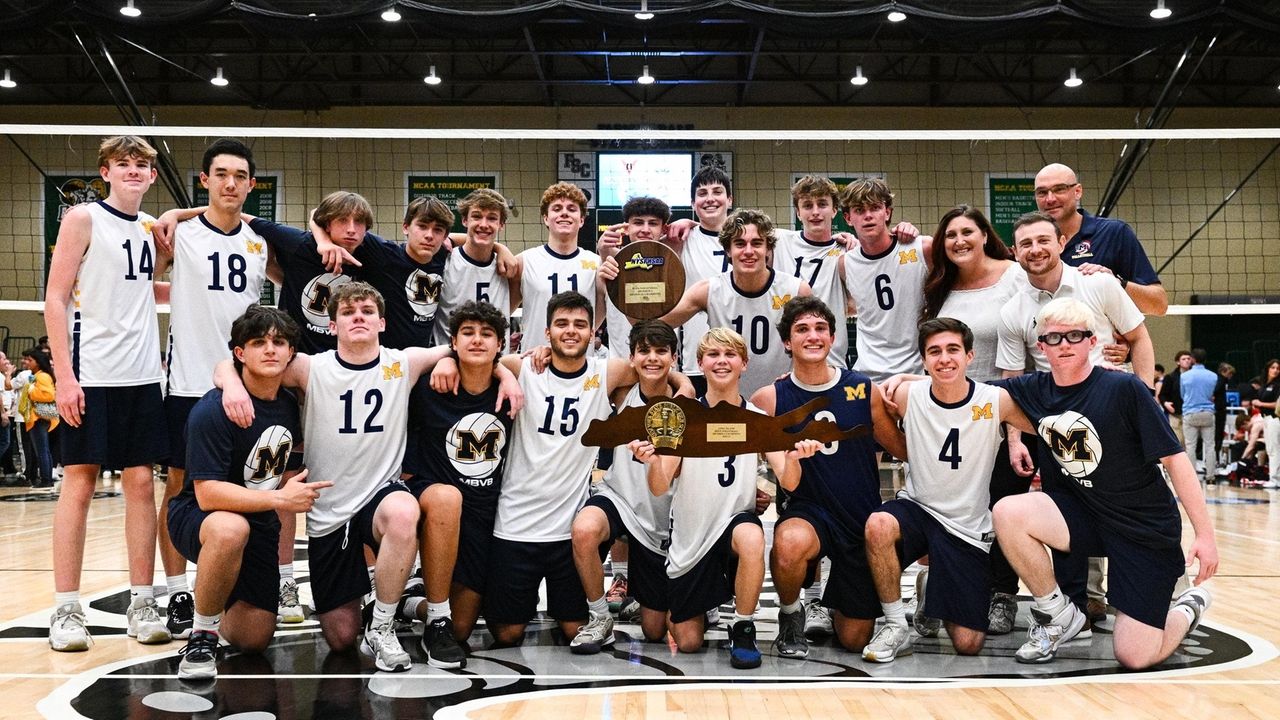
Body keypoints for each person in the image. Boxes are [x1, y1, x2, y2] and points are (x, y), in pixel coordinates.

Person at [215, 282, 521, 672]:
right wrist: (228, 380)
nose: (358, 317)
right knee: (341, 638)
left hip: (381, 497)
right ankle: (393, 603)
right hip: (330, 510)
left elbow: (474, 351)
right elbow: (234, 363)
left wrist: (503, 374)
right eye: (348, 312)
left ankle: (381, 626)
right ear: (332, 325)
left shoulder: (404, 362)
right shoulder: (309, 367)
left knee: (404, 511)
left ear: (382, 322)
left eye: (366, 311)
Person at [437, 291, 690, 648]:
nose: (570, 331)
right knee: (506, 634)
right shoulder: (521, 368)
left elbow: (655, 368)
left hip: (566, 526)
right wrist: (456, 361)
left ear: (592, 333)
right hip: (513, 524)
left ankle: (595, 614)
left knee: (574, 628)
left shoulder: (607, 372)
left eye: (580, 325)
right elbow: (477, 356)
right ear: (547, 332)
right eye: (562, 324)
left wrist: (684, 385)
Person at [992, 297, 1216, 669]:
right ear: (1041, 346)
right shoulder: (1033, 389)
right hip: (1085, 518)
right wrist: (906, 385)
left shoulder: (1125, 390)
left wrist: (1205, 536)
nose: (1064, 345)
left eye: (1074, 336)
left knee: (1134, 655)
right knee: (1008, 511)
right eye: (1054, 338)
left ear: (1092, 342)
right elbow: (963, 393)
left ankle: (1189, 608)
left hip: (1142, 529)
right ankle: (1058, 614)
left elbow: (1177, 462)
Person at [43, 135, 172, 652]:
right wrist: (65, 377)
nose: (134, 172)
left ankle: (143, 603)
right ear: (106, 172)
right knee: (79, 482)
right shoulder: (82, 219)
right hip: (90, 373)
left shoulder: (148, 227)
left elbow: (141, 290)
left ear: (152, 175)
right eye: (124, 164)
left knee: (142, 483)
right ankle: (66, 610)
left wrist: (168, 268)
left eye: (142, 165)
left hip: (142, 376)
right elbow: (54, 299)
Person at [630, 327, 821, 669]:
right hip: (692, 538)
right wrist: (653, 461)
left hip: (734, 528)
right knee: (687, 642)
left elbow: (790, 482)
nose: (722, 362)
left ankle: (743, 626)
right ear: (700, 364)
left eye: (730, 354)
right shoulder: (682, 421)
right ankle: (708, 600)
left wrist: (792, 460)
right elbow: (659, 487)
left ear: (744, 363)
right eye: (713, 355)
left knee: (751, 535)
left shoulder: (760, 420)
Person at [156, 138, 279, 639]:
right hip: (188, 382)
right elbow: (147, 271)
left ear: (252, 185)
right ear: (204, 181)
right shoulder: (178, 233)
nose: (231, 184)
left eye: (240, 176)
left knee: (258, 482)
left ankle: (261, 581)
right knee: (180, 486)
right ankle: (176, 590)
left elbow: (300, 259)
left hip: (250, 384)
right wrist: (176, 212)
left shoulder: (259, 240)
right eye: (221, 174)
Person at [862, 317, 1033, 662]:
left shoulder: (995, 400)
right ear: (923, 360)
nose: (944, 359)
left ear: (970, 355)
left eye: (953, 350)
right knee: (878, 524)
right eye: (934, 352)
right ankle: (895, 625)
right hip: (918, 509)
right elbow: (867, 399)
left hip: (966, 527)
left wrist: (1014, 439)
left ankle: (932, 589)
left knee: (969, 644)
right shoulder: (907, 395)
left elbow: (1036, 421)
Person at [166, 306, 323, 680]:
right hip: (200, 517)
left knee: (253, 639)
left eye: (279, 342)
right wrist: (280, 499)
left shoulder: (289, 405)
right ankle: (202, 634)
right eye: (258, 342)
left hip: (260, 523)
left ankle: (218, 583)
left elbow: (285, 468)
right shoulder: (213, 411)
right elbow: (208, 495)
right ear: (240, 354)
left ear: (290, 354)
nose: (270, 349)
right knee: (230, 529)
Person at [752, 296, 906, 659]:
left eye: (821, 328)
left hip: (860, 517)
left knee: (854, 639)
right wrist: (751, 493)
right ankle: (791, 615)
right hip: (808, 512)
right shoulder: (770, 398)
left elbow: (900, 448)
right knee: (787, 544)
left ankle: (837, 600)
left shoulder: (863, 389)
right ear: (787, 342)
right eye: (802, 329)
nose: (813, 336)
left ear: (833, 338)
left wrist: (910, 406)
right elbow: (743, 458)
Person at [919, 205, 1030, 635]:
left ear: (985, 234)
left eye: (967, 232)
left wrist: (1014, 430)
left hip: (1000, 406)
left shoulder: (1015, 275)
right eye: (950, 235)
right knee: (951, 501)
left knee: (1001, 502)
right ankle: (940, 590)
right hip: (947, 408)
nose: (959, 241)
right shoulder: (940, 286)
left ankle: (1003, 594)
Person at [400, 300, 515, 668]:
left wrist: (507, 374)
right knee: (449, 497)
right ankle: (435, 620)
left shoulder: (512, 388)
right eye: (467, 333)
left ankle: (413, 603)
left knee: (463, 629)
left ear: (501, 344)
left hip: (483, 514)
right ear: (453, 341)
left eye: (486, 334)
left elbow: (543, 360)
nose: (477, 340)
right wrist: (444, 361)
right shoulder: (429, 385)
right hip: (435, 497)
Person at [568, 319, 681, 653]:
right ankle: (600, 616)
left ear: (674, 357)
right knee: (585, 529)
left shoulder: (687, 404)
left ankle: (666, 599)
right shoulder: (620, 392)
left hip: (659, 517)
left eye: (661, 351)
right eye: (643, 351)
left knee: (655, 631)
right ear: (631, 357)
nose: (652, 359)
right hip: (617, 498)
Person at [658, 208, 811, 396]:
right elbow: (656, 324)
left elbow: (815, 340)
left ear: (768, 249)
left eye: (756, 243)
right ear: (728, 250)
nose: (748, 251)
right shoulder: (709, 290)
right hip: (728, 403)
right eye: (739, 244)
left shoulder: (796, 290)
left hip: (781, 399)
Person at [1034, 163, 1168, 316]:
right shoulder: (1031, 245)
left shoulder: (1114, 233)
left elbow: (1159, 305)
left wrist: (1116, 283)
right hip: (1049, 337)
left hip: (1102, 338)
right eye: (1042, 192)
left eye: (1059, 189)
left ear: (1077, 191)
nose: (1050, 199)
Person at [838, 177, 931, 383]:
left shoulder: (922, 248)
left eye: (875, 208)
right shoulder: (845, 263)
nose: (868, 216)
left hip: (914, 373)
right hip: (866, 374)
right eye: (859, 210)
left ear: (887, 212)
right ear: (848, 218)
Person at [509, 183, 601, 348]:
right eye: (557, 208)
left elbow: (601, 311)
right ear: (545, 218)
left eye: (572, 209)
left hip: (580, 363)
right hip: (534, 364)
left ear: (581, 220)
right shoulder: (525, 261)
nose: (564, 213)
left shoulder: (596, 264)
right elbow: (502, 309)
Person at [433, 189, 515, 345]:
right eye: (477, 216)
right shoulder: (444, 262)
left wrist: (500, 248)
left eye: (492, 218)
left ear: (501, 224)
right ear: (464, 220)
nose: (484, 225)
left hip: (494, 363)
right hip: (449, 361)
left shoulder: (507, 267)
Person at [595, 196, 672, 359]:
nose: (645, 229)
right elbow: (593, 322)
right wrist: (603, 252)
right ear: (626, 227)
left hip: (661, 367)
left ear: (663, 229)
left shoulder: (674, 267)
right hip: (620, 368)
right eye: (638, 222)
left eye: (653, 223)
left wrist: (690, 222)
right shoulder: (608, 267)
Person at [12, 349, 58, 489]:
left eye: (30, 360)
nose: (27, 362)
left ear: (38, 362)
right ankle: (47, 478)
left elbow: (49, 395)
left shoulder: (42, 376)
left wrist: (31, 390)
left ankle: (46, 480)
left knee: (41, 450)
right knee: (44, 450)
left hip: (39, 417)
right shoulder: (38, 375)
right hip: (40, 416)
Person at [1180, 349, 1218, 484]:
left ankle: (1192, 477)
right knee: (1210, 446)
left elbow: (1182, 395)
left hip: (1190, 412)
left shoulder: (1184, 376)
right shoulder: (1213, 376)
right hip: (1208, 412)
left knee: (1190, 446)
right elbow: (1212, 394)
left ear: (1193, 359)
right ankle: (1210, 476)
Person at [1160, 351, 1194, 444]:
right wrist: (1166, 403)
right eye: (1183, 359)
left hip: (1190, 411)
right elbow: (1162, 395)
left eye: (1188, 359)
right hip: (1175, 412)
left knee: (1189, 441)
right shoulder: (1170, 377)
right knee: (1177, 439)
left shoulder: (1194, 376)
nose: (1187, 361)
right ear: (1178, 362)